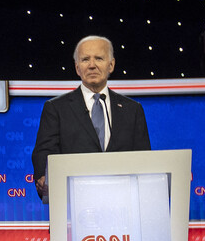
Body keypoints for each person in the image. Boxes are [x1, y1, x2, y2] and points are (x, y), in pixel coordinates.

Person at [31, 35, 151, 200]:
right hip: (74, 205)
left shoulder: (132, 109)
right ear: (77, 67)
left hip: (123, 206)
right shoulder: (56, 108)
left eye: (99, 58)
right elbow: (45, 151)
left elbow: (143, 157)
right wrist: (44, 178)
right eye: (85, 59)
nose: (92, 65)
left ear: (111, 65)